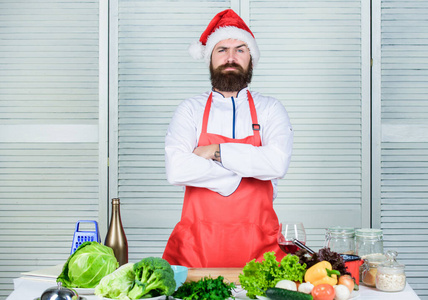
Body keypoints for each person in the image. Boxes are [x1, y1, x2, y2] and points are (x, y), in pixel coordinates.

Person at [162, 9, 293, 268]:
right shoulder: (190, 109)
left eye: (240, 49)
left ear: (251, 59)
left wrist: (214, 150)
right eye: (221, 49)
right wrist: (240, 175)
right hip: (194, 252)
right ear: (209, 58)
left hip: (262, 252)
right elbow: (176, 169)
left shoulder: (270, 108)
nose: (230, 57)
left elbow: (277, 164)